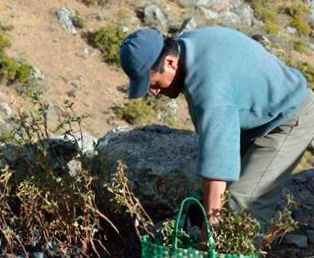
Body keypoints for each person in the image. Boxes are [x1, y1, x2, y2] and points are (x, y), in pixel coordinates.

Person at [119, 26, 314, 229]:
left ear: (169, 62)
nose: (155, 92)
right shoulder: (187, 48)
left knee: (241, 209)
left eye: (154, 84)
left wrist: (212, 227)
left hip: (289, 117)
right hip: (258, 120)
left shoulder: (208, 84)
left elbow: (218, 158)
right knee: (207, 203)